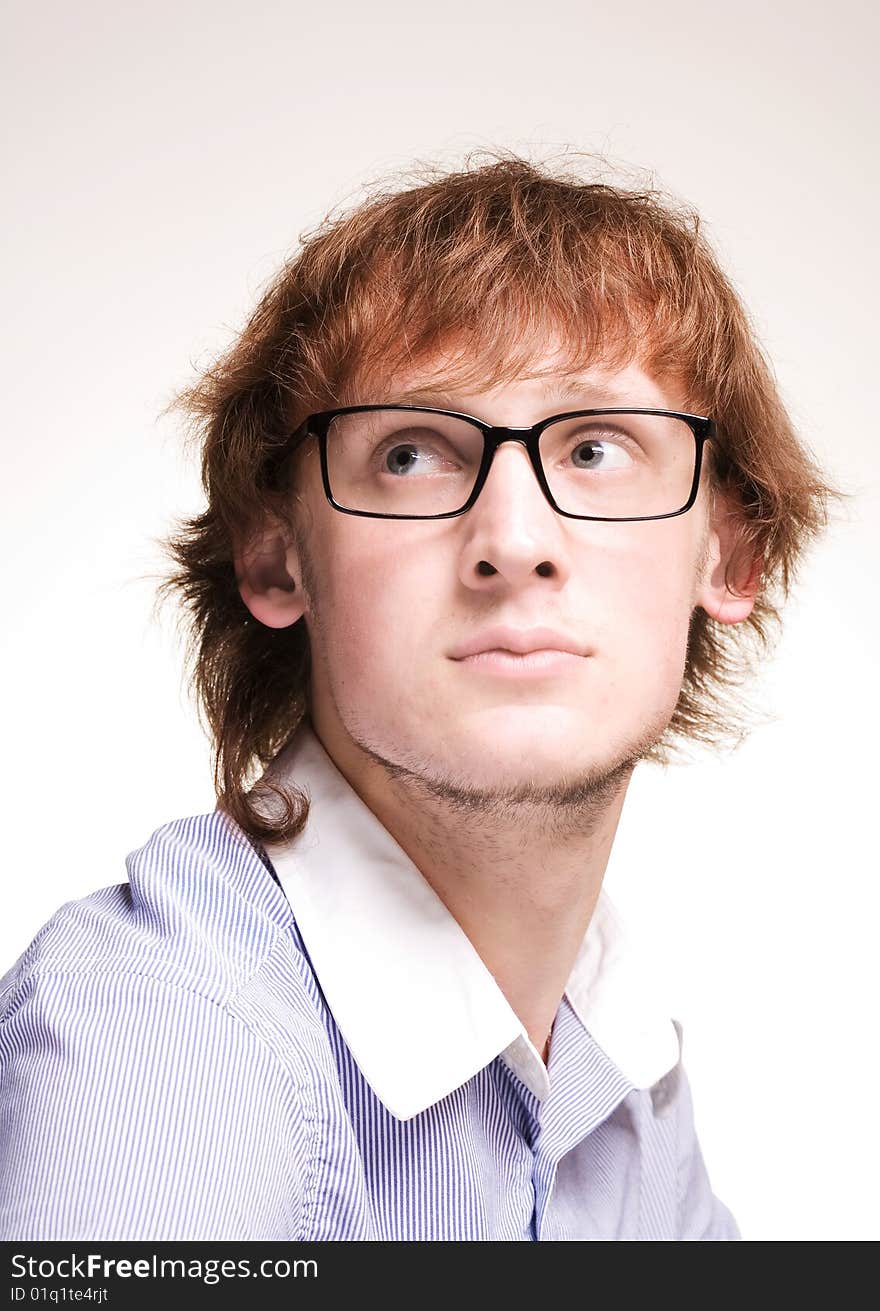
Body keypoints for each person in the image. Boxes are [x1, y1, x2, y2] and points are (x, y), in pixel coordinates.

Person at [0, 152, 840, 1241]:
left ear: (731, 558)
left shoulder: (614, 1068)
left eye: (596, 448)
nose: (513, 542)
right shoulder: (167, 1045)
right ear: (274, 559)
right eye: (410, 455)